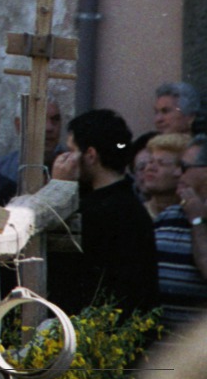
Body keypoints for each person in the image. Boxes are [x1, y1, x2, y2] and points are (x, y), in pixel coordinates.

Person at [49, 108, 161, 316]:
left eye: (72, 151)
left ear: (90, 155)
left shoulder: (99, 211)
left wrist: (59, 187)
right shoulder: (129, 203)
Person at [164, 134, 207, 327]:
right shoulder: (168, 216)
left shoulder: (196, 217)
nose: (176, 174)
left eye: (183, 167)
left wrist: (197, 221)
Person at [0, 94, 64, 204]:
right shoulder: (0, 170)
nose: (49, 128)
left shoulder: (74, 169)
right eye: (39, 119)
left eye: (55, 120)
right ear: (19, 125)